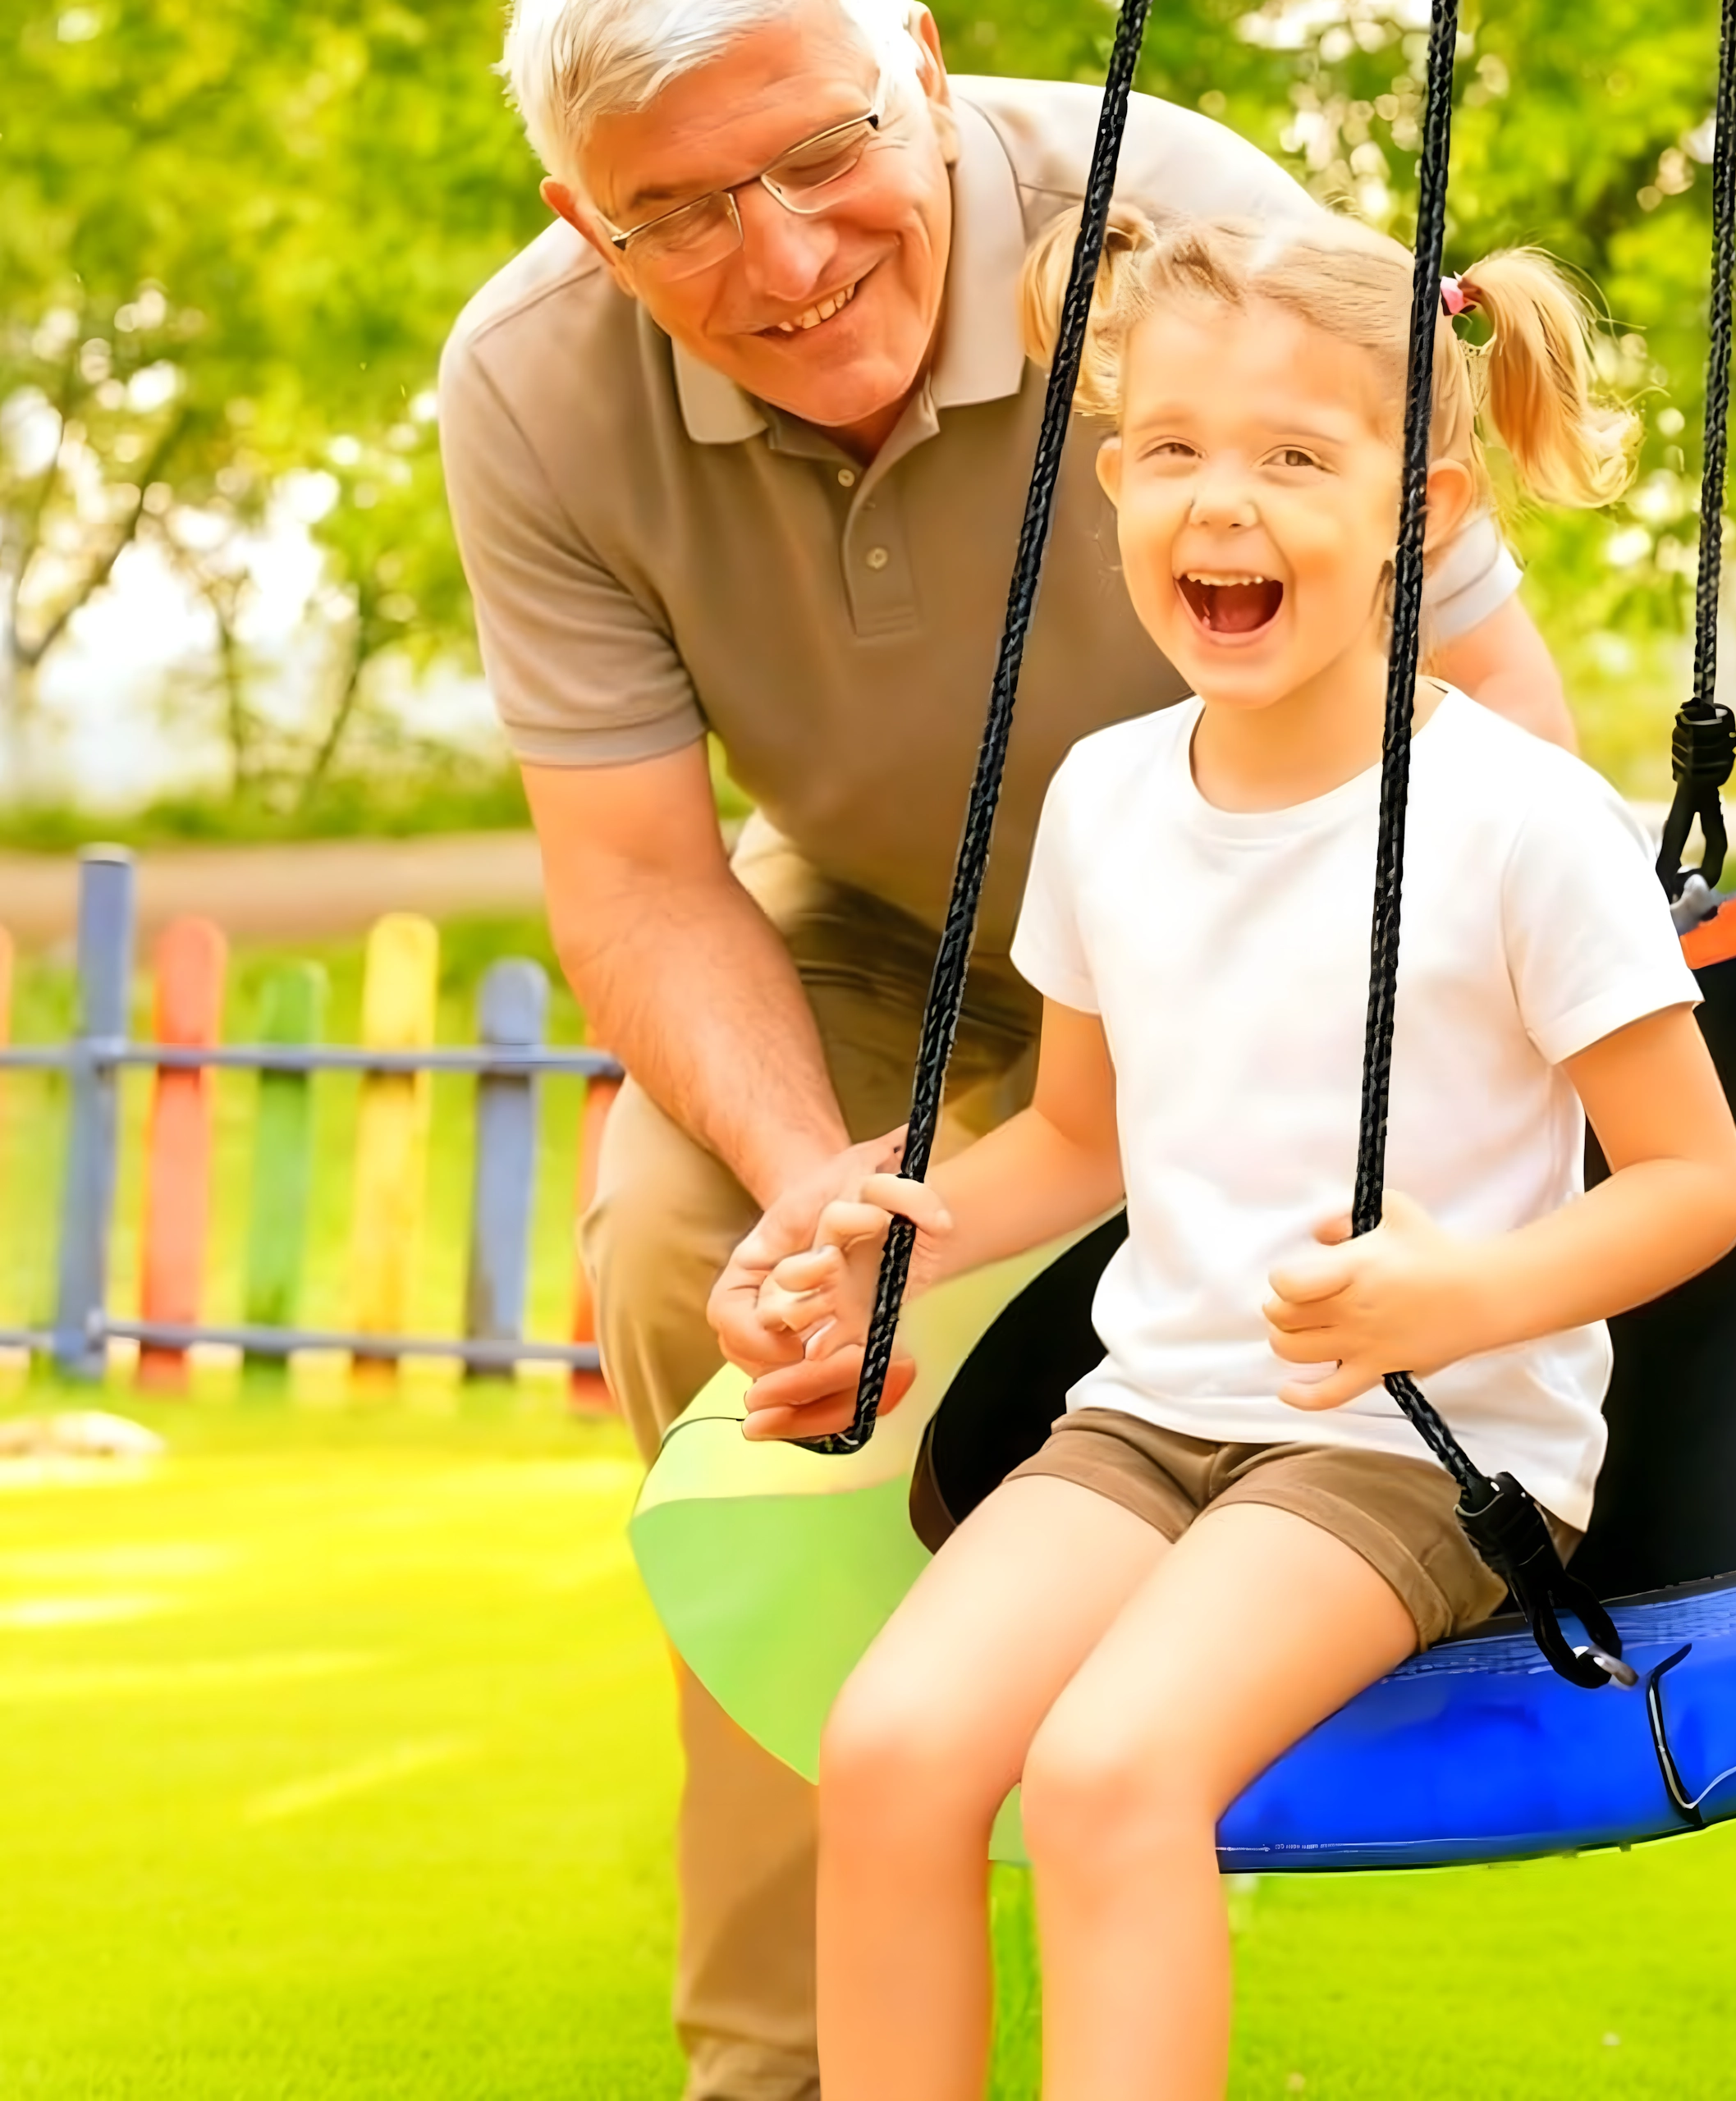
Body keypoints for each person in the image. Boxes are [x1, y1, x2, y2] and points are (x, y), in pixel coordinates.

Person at [442, 2, 1590, 2091]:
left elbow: (1488, 708)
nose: (783, 258)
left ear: (924, 62)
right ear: (578, 219)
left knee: (1120, 1732)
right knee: (697, 1246)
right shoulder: (530, 380)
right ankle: (790, 2046)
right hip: (893, 903)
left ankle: (1158, 1711)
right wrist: (832, 1208)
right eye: (677, 214)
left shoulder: (1184, 219)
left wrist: (1450, 1158)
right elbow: (638, 880)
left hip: (1266, 898)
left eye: (819, 155)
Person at [737, 206, 1736, 2101]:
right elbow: (1077, 1136)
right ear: (1112, 484)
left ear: (1418, 511)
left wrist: (1457, 1293)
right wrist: (890, 1237)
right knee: (891, 1744)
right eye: (1178, 448)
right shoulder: (1106, 799)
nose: (1226, 499)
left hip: (1422, 1444)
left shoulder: (1522, 822)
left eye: (1296, 455)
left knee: (1109, 1767)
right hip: (1150, 1413)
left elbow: (1694, 1183)